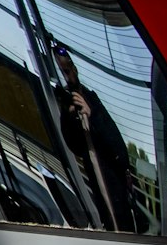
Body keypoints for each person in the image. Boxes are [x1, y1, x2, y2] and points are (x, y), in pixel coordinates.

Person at [52, 43, 138, 232]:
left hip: (117, 192)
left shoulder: (93, 100)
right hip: (101, 199)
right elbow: (73, 145)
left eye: (67, 72)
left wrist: (92, 116)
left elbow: (118, 149)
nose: (67, 79)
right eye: (62, 74)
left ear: (75, 70)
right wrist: (69, 115)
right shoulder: (67, 108)